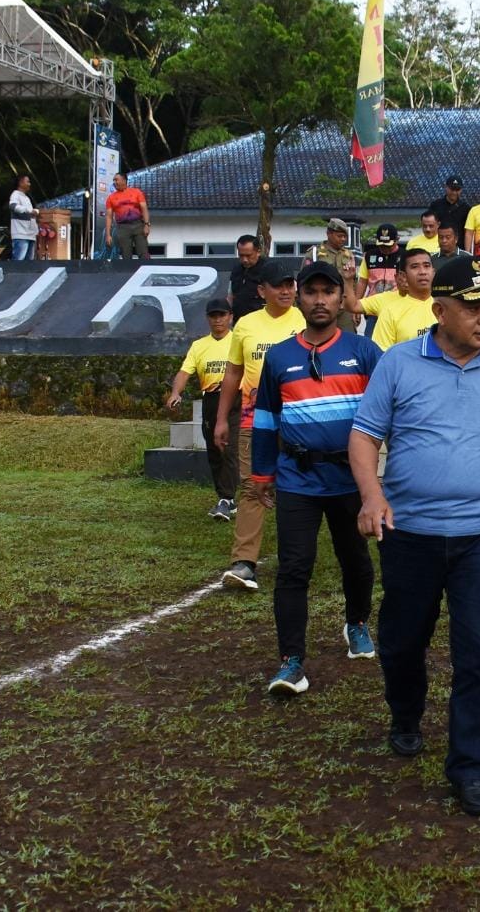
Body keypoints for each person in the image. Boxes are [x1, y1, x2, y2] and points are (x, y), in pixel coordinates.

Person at [350, 254, 480, 818]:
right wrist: (372, 495)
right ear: (440, 310)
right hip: (409, 531)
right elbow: (364, 436)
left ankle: (470, 767)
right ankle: (406, 714)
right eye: (474, 307)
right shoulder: (398, 363)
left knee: (479, 650)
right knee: (403, 640)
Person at [253, 261, 386, 696]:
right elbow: (266, 419)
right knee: (293, 569)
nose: (320, 300)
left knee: (356, 561)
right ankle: (291, 661)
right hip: (297, 480)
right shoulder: (279, 356)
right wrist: (262, 473)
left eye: (328, 292)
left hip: (350, 479)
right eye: (311, 292)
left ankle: (357, 623)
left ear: (341, 298)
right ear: (299, 297)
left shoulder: (364, 351)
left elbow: (392, 409)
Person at [214, 259, 307, 592]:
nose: (286, 290)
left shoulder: (305, 320)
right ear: (261, 290)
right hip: (254, 421)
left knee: (295, 489)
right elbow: (233, 373)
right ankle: (244, 562)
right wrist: (222, 418)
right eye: (278, 285)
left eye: (289, 284)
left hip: (298, 420)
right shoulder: (246, 325)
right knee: (252, 487)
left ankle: (296, 556)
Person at [167, 296, 238, 521]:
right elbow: (184, 372)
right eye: (213, 316)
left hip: (236, 400)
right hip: (211, 401)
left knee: (230, 447)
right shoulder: (199, 346)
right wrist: (176, 393)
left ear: (230, 317)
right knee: (215, 450)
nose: (218, 320)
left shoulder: (239, 341)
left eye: (222, 315)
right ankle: (225, 497)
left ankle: (227, 499)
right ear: (207, 318)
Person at [371, 248, 439, 350]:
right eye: (415, 267)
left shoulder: (446, 308)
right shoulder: (390, 313)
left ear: (433, 272)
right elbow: (381, 355)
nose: (422, 272)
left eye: (426, 266)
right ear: (403, 276)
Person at [306, 218, 361, 332]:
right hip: (322, 304)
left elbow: (354, 282)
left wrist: (355, 307)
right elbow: (305, 281)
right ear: (329, 234)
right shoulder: (315, 253)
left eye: (345, 236)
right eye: (339, 236)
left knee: (347, 338)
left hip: (344, 307)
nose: (343, 239)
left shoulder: (348, 255)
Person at [104, 172, 151, 260]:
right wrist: (108, 235)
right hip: (122, 228)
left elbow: (144, 208)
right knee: (126, 255)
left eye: (116, 180)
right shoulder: (111, 198)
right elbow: (109, 217)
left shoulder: (136, 192)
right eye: (114, 180)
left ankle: (146, 267)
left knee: (143, 253)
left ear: (124, 180)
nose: (114, 182)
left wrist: (147, 225)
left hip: (138, 225)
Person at [356, 223, 401, 299]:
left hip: (396, 302)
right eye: (382, 245)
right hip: (373, 302)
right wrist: (356, 302)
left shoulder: (405, 256)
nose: (385, 248)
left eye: (388, 246)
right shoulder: (369, 256)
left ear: (397, 240)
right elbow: (362, 281)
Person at [230, 235, 267, 320]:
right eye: (241, 255)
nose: (244, 260)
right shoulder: (236, 270)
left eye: (248, 255)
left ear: (258, 252)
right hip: (239, 321)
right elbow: (230, 296)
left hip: (261, 321)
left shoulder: (269, 269)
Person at [427, 175, 471, 246]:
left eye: (457, 190)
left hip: (458, 246)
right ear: (446, 187)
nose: (454, 192)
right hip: (438, 245)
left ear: (461, 190)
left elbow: (468, 231)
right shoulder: (435, 205)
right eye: (452, 189)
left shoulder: (466, 208)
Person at [8, 175, 40, 261]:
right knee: (19, 262)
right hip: (21, 234)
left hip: (30, 234)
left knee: (29, 263)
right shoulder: (15, 194)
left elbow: (30, 215)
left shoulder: (26, 198)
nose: (29, 184)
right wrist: (29, 211)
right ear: (20, 183)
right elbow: (12, 206)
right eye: (27, 182)